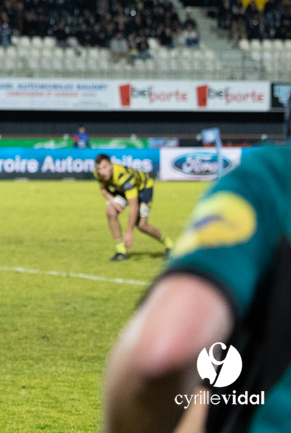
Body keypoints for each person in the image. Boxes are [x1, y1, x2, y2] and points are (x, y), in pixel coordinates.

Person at [104, 146, 291, 433]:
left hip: (142, 193)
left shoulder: (272, 175)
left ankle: (162, 242)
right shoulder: (103, 175)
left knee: (141, 223)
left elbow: (163, 353)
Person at [94, 154, 175, 262]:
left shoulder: (124, 177)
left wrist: (129, 232)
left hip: (143, 188)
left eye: (104, 167)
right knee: (110, 211)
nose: (102, 172)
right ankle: (121, 251)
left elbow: (134, 206)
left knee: (142, 225)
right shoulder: (99, 173)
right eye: (99, 168)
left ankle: (171, 245)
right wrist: (113, 202)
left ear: (111, 165)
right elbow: (103, 189)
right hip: (122, 190)